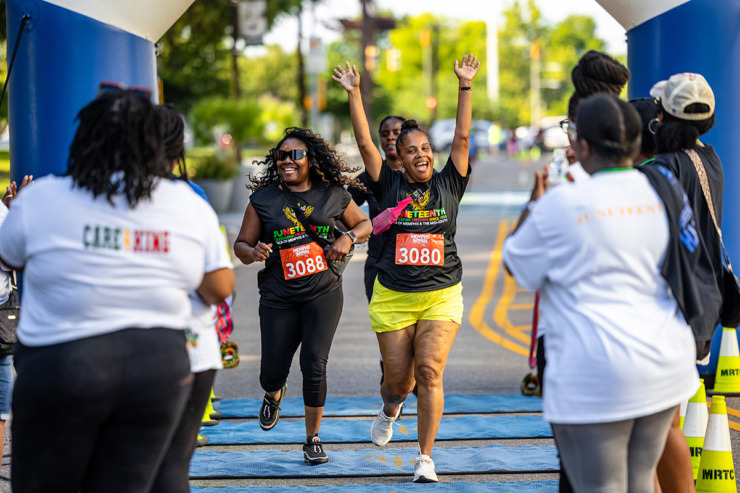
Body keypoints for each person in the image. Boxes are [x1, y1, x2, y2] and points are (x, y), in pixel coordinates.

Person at [0, 88, 235, 493]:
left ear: (84, 138)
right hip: (157, 366)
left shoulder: (39, 199)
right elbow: (219, 286)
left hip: (64, 363)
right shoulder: (186, 203)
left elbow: (10, 259)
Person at [504, 93, 699, 491]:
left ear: (583, 146)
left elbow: (517, 265)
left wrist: (533, 204)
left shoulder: (562, 202)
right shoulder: (665, 189)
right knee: (641, 479)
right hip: (665, 362)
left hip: (596, 371)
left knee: (602, 486)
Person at [333, 53, 479, 483]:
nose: (420, 155)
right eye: (410, 150)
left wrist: (464, 85)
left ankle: (425, 459)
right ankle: (390, 408)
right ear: (397, 154)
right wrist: (355, 92)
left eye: (425, 149)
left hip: (441, 294)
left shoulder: (450, 182)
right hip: (393, 296)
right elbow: (363, 145)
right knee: (399, 383)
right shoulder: (389, 182)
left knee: (429, 371)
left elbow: (463, 137)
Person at [233, 127, 371, 465]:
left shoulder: (333, 194)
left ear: (311, 159)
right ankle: (274, 392)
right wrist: (254, 252)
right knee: (272, 370)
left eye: (295, 155)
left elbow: (365, 225)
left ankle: (312, 438)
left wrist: (348, 237)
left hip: (322, 292)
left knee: (314, 363)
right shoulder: (263, 200)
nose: (286, 161)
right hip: (279, 296)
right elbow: (240, 245)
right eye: (281, 156)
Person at [149, 103, 233, 493]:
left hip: (104, 350)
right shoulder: (191, 201)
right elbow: (219, 286)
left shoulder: (80, 197)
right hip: (188, 348)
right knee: (171, 468)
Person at [348, 115, 405, 384]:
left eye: (397, 132)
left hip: (418, 267)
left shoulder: (423, 173)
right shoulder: (370, 177)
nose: (390, 137)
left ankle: (413, 379)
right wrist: (350, 233)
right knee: (387, 328)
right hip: (379, 265)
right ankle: (391, 379)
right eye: (385, 133)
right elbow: (339, 208)